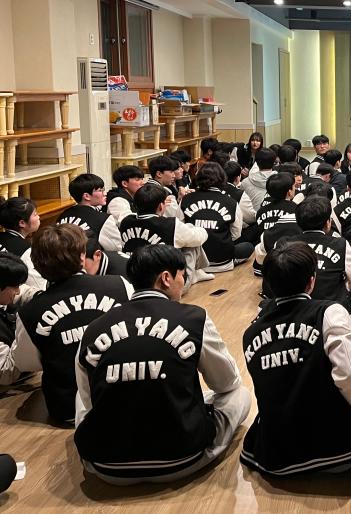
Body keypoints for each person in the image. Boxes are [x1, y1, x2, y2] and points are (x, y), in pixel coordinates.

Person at [74, 244, 250, 484]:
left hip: (106, 466)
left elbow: (89, 402)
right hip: (184, 458)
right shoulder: (195, 317)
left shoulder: (94, 327)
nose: (184, 282)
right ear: (166, 278)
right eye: (182, 276)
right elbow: (227, 383)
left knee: (81, 395)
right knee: (240, 394)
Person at [240, 240, 351, 476]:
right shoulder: (330, 313)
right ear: (311, 281)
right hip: (338, 451)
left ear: (269, 284)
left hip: (276, 457)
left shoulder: (250, 332)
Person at [13, 224, 133, 423]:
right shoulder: (120, 285)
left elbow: (25, 363)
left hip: (68, 408)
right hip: (126, 396)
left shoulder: (29, 312)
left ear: (37, 265)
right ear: (81, 256)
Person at [262, 197, 351, 321]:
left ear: (298, 222)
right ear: (328, 223)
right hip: (328, 314)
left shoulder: (282, 243)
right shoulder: (340, 244)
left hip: (288, 310)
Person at [119, 183, 211, 287]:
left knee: (185, 234)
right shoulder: (170, 225)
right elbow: (199, 238)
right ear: (161, 206)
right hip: (165, 286)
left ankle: (197, 273)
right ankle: (196, 273)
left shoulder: (125, 221)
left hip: (133, 282)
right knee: (191, 243)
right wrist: (198, 228)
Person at [181, 162, 255, 272]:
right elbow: (236, 234)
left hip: (192, 262)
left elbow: (179, 228)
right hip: (222, 262)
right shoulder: (231, 202)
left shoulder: (186, 199)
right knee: (248, 247)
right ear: (222, 178)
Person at [58, 173, 123, 252]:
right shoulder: (103, 219)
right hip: (88, 258)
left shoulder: (63, 215)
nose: (105, 193)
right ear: (87, 196)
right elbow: (116, 249)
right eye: (100, 190)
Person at [0, 252, 31, 385]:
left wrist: (43, 298)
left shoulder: (4, 296)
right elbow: (5, 373)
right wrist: (26, 331)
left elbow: (25, 292)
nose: (18, 291)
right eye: (15, 286)